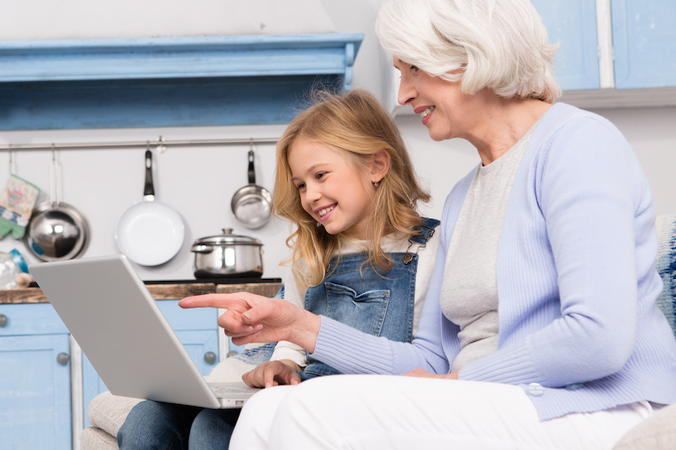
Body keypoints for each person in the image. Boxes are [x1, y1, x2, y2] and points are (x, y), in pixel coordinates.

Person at [178, 0, 676, 448]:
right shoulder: (465, 195)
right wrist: (299, 325)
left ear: (473, 53)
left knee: (309, 413)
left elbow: (598, 337)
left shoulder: (577, 145)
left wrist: (462, 384)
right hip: (494, 401)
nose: (403, 93)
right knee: (270, 408)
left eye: (413, 68)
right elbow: (431, 361)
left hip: (588, 405)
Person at [117, 88, 440, 449]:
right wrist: (284, 364)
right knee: (145, 424)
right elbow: (294, 342)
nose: (309, 196)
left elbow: (429, 357)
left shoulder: (429, 248)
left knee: (212, 430)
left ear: (377, 166)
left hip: (362, 405)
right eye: (301, 184)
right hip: (302, 392)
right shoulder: (311, 254)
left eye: (321, 175)